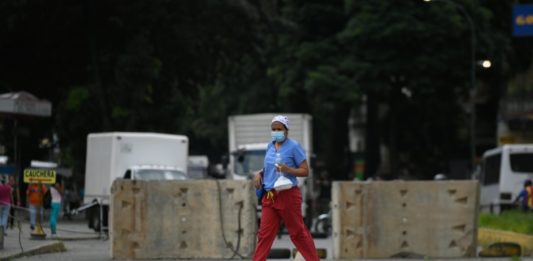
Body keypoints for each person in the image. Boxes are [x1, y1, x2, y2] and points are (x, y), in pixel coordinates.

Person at [252, 115, 319, 261]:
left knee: (297, 233)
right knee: (264, 234)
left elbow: (305, 171)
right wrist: (260, 173)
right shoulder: (270, 146)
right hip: (270, 195)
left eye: (279, 129)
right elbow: (269, 168)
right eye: (273, 129)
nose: (276, 132)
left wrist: (288, 170)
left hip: (288, 195)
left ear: (286, 130)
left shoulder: (294, 146)